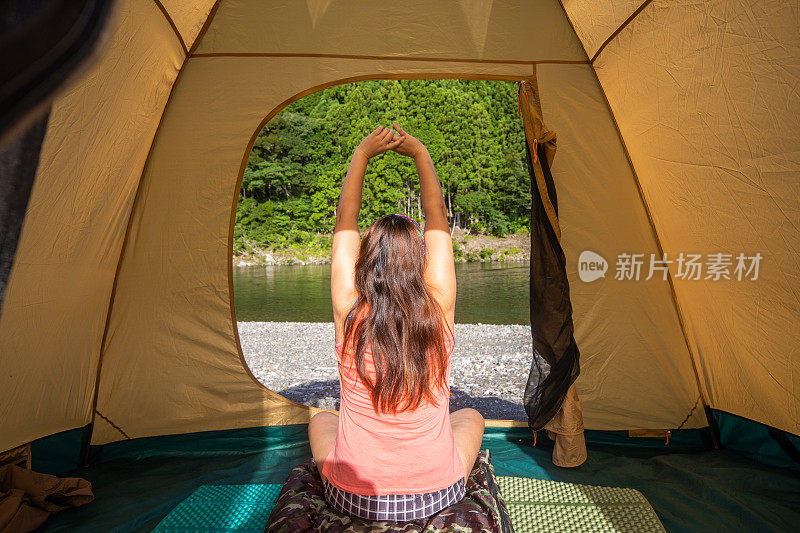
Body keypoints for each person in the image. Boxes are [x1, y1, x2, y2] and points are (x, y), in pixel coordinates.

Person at [308, 123, 485, 522]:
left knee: (321, 418)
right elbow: (437, 218)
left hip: (353, 499)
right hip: (435, 493)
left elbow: (344, 223)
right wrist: (421, 153)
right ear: (418, 261)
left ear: (366, 261)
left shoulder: (348, 309)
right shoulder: (437, 308)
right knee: (471, 416)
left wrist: (362, 154)